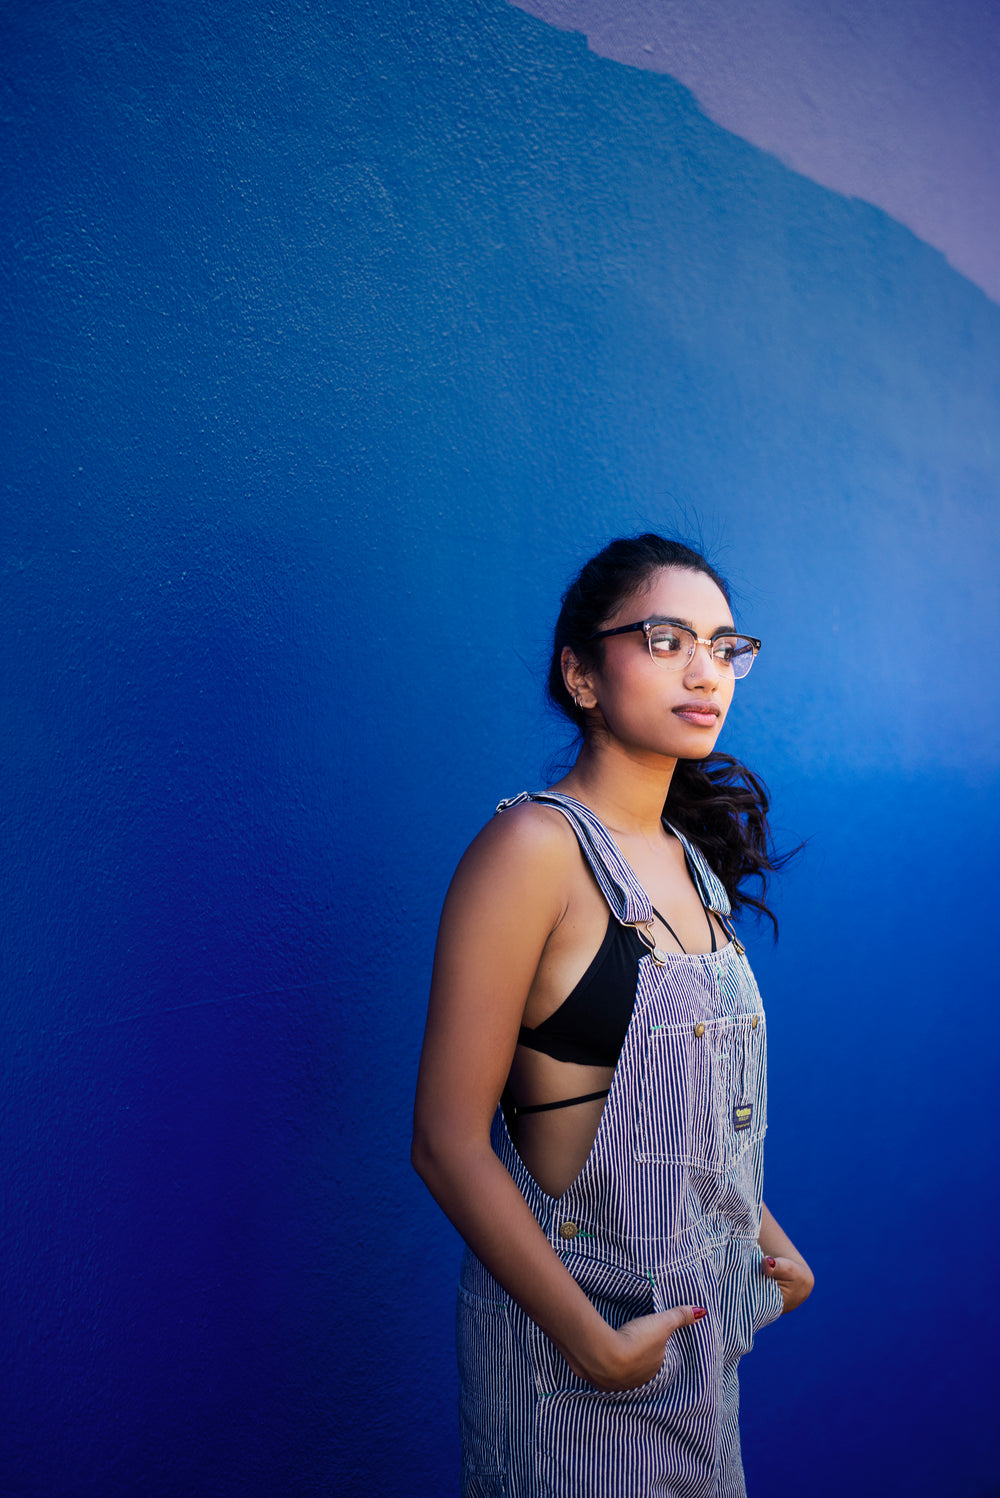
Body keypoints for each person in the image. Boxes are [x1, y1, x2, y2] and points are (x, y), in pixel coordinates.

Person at [412, 534, 814, 1498]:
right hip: (568, 1375)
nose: (706, 671)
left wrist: (768, 1239)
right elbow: (445, 1142)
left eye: (724, 648)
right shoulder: (531, 851)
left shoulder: (693, 868)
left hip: (693, 1366)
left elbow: (676, 1118)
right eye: (666, 638)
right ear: (581, 674)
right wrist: (592, 1346)